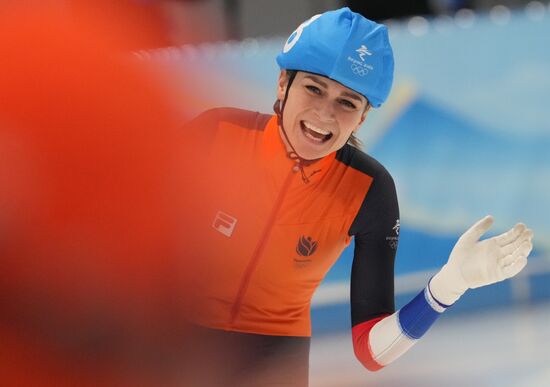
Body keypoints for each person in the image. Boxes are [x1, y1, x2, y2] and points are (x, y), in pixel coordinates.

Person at [181, 7, 534, 386]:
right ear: (283, 83)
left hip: (274, 363)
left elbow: (371, 350)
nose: (324, 114)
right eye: (314, 88)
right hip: (168, 343)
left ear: (362, 117)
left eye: (347, 102)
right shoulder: (214, 134)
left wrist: (451, 283)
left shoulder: (369, 189)